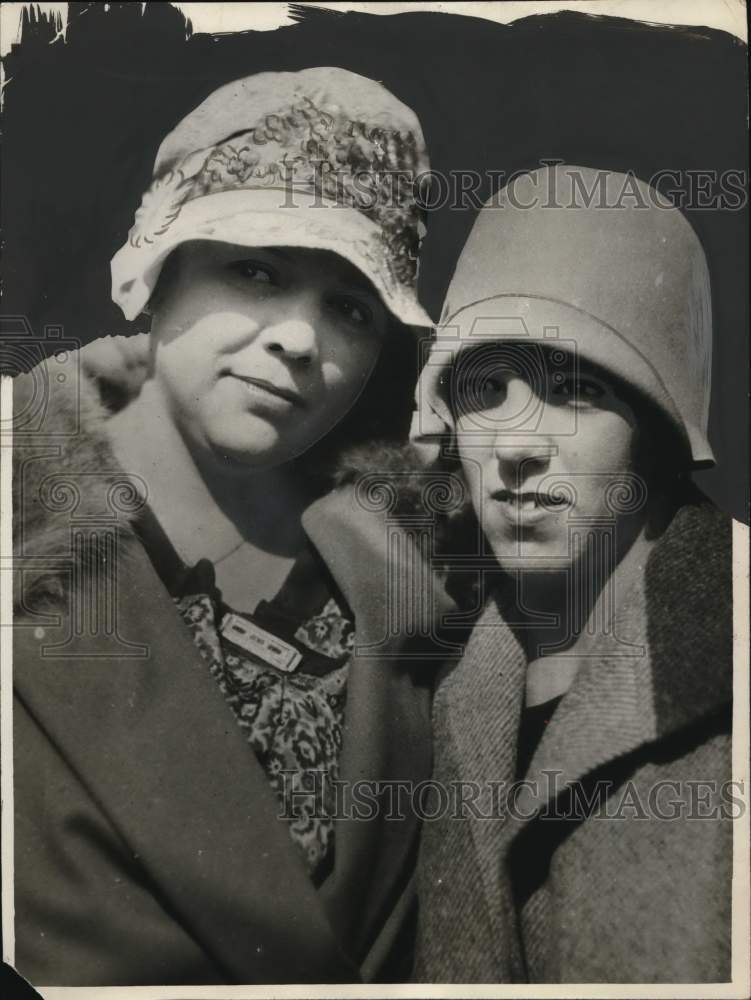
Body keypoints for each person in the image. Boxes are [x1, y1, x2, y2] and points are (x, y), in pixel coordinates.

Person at [12, 66, 449, 986]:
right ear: (158, 270)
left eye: (350, 306)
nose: (299, 338)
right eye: (256, 270)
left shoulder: (418, 592)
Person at [410, 165, 734, 983]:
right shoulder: (457, 694)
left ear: (655, 436)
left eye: (577, 390)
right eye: (486, 389)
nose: (516, 445)